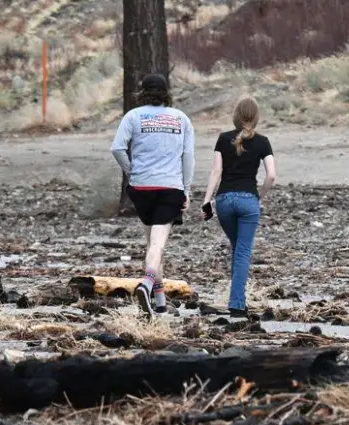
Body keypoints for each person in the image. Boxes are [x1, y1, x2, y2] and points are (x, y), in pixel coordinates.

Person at [110, 72, 195, 316]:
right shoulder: (181, 119)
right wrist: (186, 189)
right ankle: (146, 284)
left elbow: (117, 148)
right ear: (166, 93)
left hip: (141, 188)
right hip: (170, 187)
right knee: (158, 245)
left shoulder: (133, 116)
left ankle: (158, 303)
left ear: (142, 93)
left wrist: (132, 171)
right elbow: (188, 158)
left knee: (151, 245)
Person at [201, 96, 276, 315]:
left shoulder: (223, 139)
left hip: (224, 201)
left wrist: (207, 200)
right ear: (256, 117)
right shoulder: (263, 142)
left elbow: (216, 172)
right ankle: (236, 304)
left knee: (237, 248)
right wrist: (258, 196)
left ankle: (237, 298)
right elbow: (271, 176)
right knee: (243, 251)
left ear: (236, 116)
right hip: (247, 201)